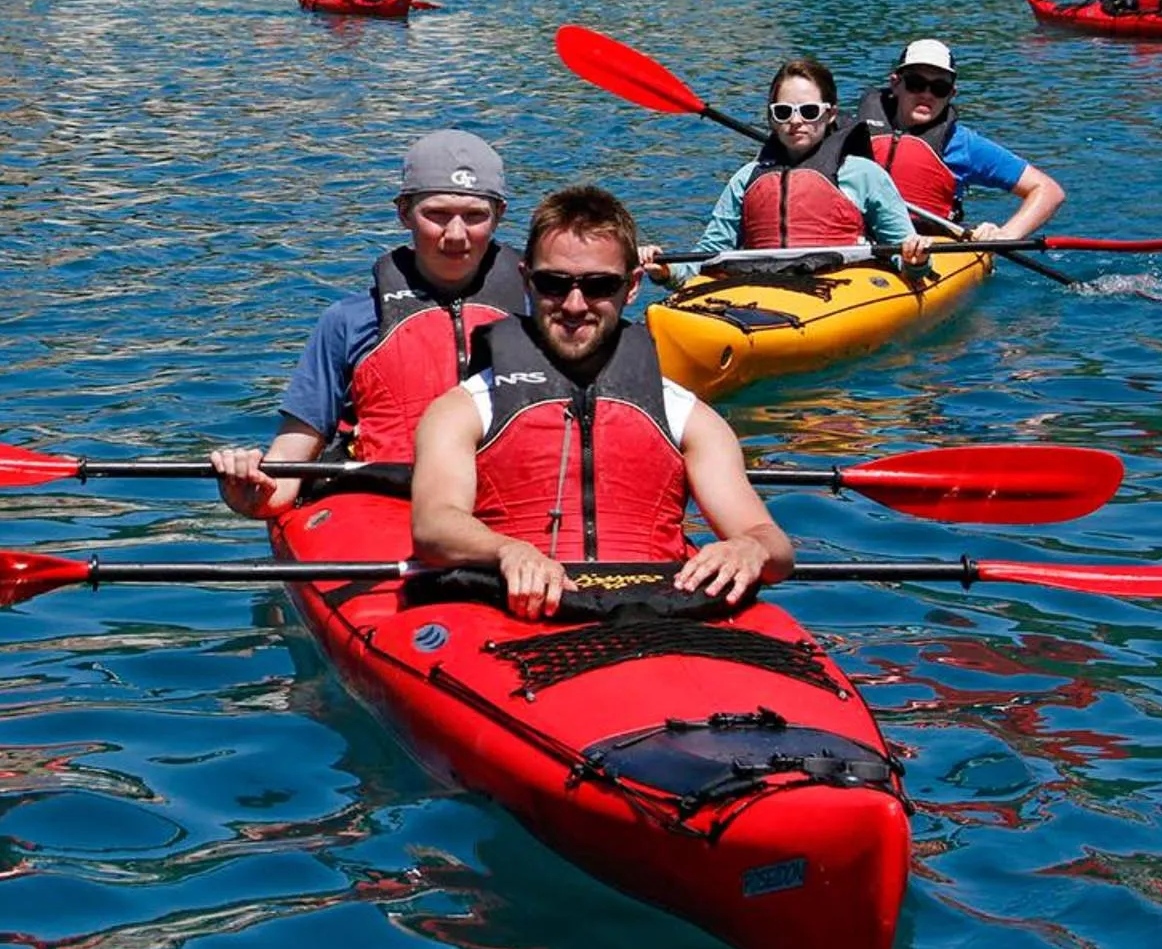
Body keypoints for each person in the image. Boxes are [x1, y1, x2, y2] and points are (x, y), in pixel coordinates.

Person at [409, 184, 794, 619]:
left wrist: (749, 547)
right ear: (526, 280)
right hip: (514, 612)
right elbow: (435, 524)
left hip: (660, 615)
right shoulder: (464, 408)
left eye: (599, 286)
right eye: (553, 284)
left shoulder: (686, 415)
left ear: (632, 286)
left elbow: (771, 541)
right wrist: (507, 550)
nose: (574, 305)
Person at [211, 130, 530, 520]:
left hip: (514, 500)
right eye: (437, 214)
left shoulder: (545, 311)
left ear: (500, 214)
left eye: (475, 216)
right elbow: (287, 467)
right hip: (385, 509)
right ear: (404, 212)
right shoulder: (348, 322)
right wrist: (250, 490)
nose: (455, 235)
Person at [673, 56, 930, 267]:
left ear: (830, 114)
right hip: (760, 283)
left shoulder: (863, 174)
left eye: (809, 111)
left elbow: (901, 250)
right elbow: (709, 252)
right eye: (783, 112)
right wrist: (666, 271)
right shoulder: (746, 178)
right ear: (772, 118)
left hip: (841, 290)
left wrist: (916, 261)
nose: (795, 121)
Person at [855, 39, 1066, 242]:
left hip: (928, 246)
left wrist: (1005, 235)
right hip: (855, 240)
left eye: (940, 88)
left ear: (951, 94)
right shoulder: (852, 133)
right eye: (916, 84)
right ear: (895, 84)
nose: (927, 94)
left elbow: (1048, 190)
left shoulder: (962, 145)